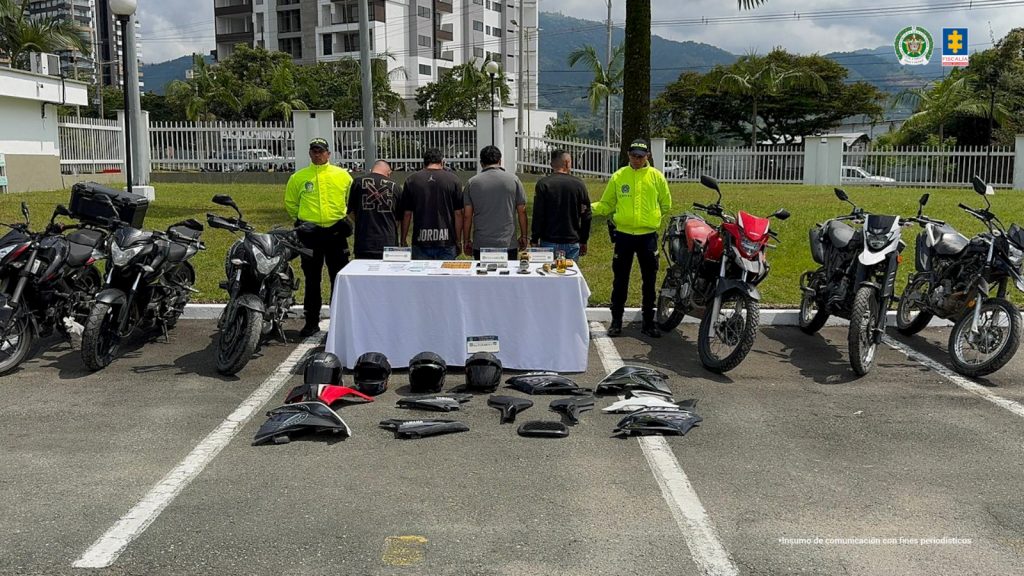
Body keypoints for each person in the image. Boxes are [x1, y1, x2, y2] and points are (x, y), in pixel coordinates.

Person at [592, 138, 672, 338]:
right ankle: (616, 321)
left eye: (641, 156)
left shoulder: (656, 177)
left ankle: (648, 322)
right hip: (624, 236)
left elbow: (666, 205)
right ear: (628, 155)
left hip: (647, 237)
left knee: (649, 280)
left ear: (648, 157)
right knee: (620, 279)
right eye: (634, 156)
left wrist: (651, 218)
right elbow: (607, 204)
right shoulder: (619, 176)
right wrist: (586, 207)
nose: (637, 160)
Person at [284, 137, 353, 337]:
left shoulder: (342, 176)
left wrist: (346, 220)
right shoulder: (298, 177)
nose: (317, 154)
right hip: (310, 235)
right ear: (310, 153)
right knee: (312, 279)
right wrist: (300, 220)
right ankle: (311, 321)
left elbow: (351, 200)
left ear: (328, 154)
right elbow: (291, 202)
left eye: (321, 151)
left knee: (338, 278)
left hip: (335, 233)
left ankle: (338, 321)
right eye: (314, 151)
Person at [463, 145, 528, 260]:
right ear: (500, 161)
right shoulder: (514, 180)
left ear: (481, 163)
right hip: (507, 242)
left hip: (482, 242)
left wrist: (467, 240)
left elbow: (467, 216)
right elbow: (522, 212)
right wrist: (524, 236)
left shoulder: (472, 183)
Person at [400, 147, 464, 260]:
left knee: (421, 277)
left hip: (420, 241)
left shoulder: (411, 180)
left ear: (424, 162)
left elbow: (407, 214)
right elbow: (458, 213)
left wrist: (403, 238)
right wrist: (458, 240)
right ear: (442, 162)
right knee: (446, 276)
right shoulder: (454, 180)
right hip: (446, 241)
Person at [531, 149, 592, 262]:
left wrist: (534, 238)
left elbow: (538, 214)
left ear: (551, 165)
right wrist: (584, 240)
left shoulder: (543, 184)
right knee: (570, 277)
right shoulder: (579, 184)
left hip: (548, 240)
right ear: (567, 163)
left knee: (547, 275)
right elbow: (586, 215)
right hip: (572, 241)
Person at [347, 160, 403, 259]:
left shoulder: (358, 182)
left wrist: (361, 221)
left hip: (364, 241)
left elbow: (350, 211)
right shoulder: (396, 187)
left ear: (372, 169)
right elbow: (398, 219)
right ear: (389, 173)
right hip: (388, 241)